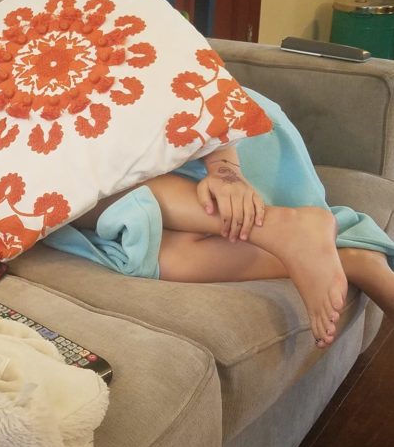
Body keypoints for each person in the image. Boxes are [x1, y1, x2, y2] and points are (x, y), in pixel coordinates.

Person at [49, 88, 394, 349]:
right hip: (157, 166)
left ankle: (283, 224)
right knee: (161, 255)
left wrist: (225, 171)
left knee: (72, 198)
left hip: (217, 132)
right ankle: (350, 259)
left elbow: (186, 85)